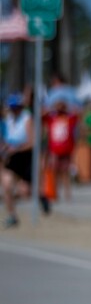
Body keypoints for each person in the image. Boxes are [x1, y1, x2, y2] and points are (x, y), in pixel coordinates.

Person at [1, 94, 49, 227]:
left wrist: (16, 148)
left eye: (16, 107)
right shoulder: (8, 120)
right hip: (12, 158)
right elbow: (5, 139)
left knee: (26, 191)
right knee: (6, 185)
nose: (14, 110)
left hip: (26, 156)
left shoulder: (27, 119)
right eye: (12, 108)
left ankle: (41, 197)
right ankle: (12, 216)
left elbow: (32, 142)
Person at [43, 98, 79, 203]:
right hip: (54, 149)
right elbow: (42, 115)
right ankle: (55, 193)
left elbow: (78, 114)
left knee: (65, 172)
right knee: (54, 171)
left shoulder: (69, 118)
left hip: (66, 149)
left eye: (62, 107)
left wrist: (68, 108)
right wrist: (51, 108)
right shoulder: (51, 119)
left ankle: (68, 193)